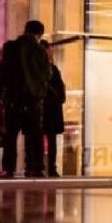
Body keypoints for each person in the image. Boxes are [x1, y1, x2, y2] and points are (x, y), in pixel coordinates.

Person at [0, 20, 50, 178]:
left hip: (12, 98)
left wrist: (1, 94)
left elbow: (2, 72)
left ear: (25, 30)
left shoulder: (9, 47)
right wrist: (40, 92)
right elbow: (46, 74)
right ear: (39, 34)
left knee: (10, 135)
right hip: (32, 99)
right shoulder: (40, 50)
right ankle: (36, 168)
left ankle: (8, 169)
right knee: (35, 135)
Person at [40, 40, 66, 177]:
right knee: (50, 139)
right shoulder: (51, 69)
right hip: (49, 108)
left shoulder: (51, 69)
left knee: (43, 138)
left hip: (45, 108)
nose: (51, 53)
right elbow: (60, 90)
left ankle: (42, 166)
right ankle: (49, 167)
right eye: (49, 50)